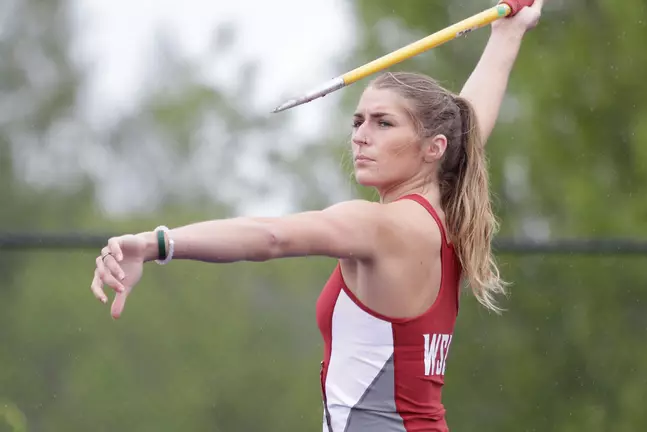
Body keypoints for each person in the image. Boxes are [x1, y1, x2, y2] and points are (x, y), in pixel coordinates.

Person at [90, 1, 543, 430]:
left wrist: (157, 243)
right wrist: (507, 33)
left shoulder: (382, 226)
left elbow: (272, 237)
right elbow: (471, 120)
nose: (361, 136)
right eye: (357, 121)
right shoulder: (442, 210)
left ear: (433, 148)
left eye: (383, 123)